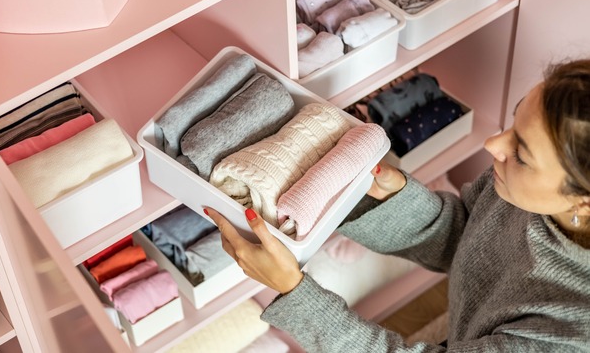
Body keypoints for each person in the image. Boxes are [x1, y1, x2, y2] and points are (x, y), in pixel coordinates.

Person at [204, 59, 590, 352]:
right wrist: (391, 197)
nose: (494, 145)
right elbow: (470, 240)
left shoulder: (568, 332)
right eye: (513, 122)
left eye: (520, 153)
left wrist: (294, 289)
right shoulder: (522, 192)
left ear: (583, 204)